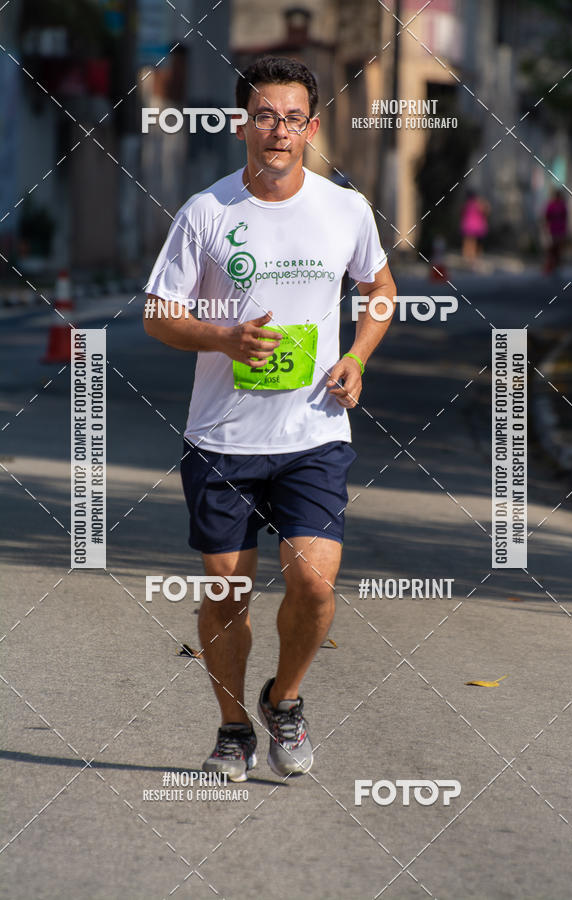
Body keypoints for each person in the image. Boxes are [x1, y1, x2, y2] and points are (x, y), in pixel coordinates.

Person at [143, 56, 396, 782]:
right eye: (264, 116)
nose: (278, 131)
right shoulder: (207, 212)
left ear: (311, 128)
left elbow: (380, 287)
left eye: (292, 118)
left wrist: (358, 356)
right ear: (241, 125)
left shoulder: (345, 209)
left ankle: (283, 700)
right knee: (227, 594)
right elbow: (158, 314)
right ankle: (233, 730)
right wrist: (222, 337)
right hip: (222, 439)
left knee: (314, 583)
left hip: (314, 433)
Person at [460, 190, 489, 262]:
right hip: (476, 226)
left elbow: (462, 213)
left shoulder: (466, 204)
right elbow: (486, 211)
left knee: (468, 241)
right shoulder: (478, 203)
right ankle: (472, 257)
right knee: (474, 242)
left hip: (468, 225)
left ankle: (467, 256)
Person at [543, 189, 568, 273]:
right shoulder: (551, 205)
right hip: (553, 230)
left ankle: (557, 265)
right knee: (552, 248)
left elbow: (565, 217)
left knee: (558, 249)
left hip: (560, 230)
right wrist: (546, 228)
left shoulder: (562, 205)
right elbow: (547, 216)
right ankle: (551, 266)